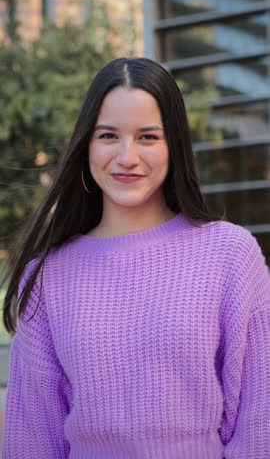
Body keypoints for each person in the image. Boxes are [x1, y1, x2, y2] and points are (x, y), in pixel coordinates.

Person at [1, 57, 270, 459]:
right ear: (86, 144)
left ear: (174, 145)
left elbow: (259, 420)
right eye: (108, 135)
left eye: (147, 137)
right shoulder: (48, 276)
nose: (127, 157)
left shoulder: (230, 255)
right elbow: (33, 438)